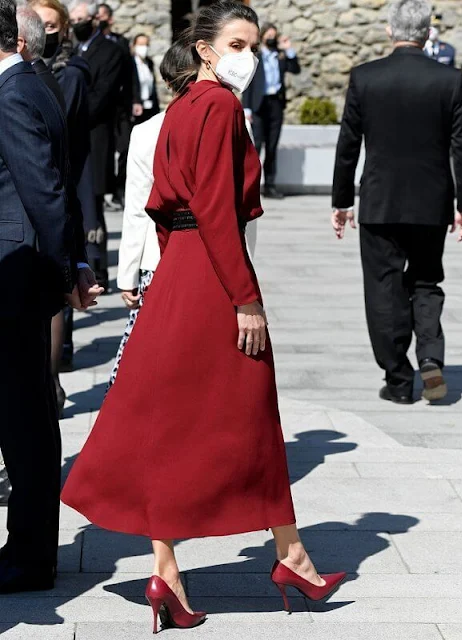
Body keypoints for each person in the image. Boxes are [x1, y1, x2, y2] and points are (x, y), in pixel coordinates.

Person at [62, 2, 346, 631]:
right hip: (216, 276)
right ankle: (290, 556)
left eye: (253, 43)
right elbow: (219, 209)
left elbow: (163, 206)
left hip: (180, 274)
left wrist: (173, 275)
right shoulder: (219, 106)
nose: (250, 54)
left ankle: (170, 571)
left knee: (169, 420)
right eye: (238, 43)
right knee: (254, 412)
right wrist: (245, 296)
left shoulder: (181, 109)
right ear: (207, 50)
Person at [0, 0, 101, 594]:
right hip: (29, 274)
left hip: (14, 280)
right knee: (30, 418)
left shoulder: (13, 93)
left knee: (23, 423)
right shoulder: (37, 81)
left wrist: (68, 267)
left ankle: (30, 557)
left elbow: (42, 186)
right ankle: (29, 549)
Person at [332, 0, 462, 405]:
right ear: (427, 33)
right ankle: (430, 356)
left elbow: (348, 146)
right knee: (426, 280)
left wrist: (341, 201)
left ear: (390, 32)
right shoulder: (452, 81)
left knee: (384, 288)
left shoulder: (365, 78)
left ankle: (399, 380)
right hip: (431, 202)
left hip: (379, 202)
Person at [109, 39, 191, 387]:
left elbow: (138, 210)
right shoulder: (238, 126)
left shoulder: (145, 133)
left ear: (167, 81)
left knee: (147, 355)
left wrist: (127, 273)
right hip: (217, 262)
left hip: (158, 259)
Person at [29, 0, 99, 394]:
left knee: (57, 284)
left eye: (52, 25)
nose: (47, 31)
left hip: (59, 187)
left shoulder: (62, 76)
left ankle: (51, 378)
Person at [69, 0, 124, 291]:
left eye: (81, 17)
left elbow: (101, 97)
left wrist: (68, 112)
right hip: (73, 140)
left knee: (94, 205)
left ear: (93, 20)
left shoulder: (111, 51)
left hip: (95, 139)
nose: (77, 22)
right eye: (73, 18)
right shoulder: (73, 50)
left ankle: (98, 267)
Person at [242, 22, 300, 200]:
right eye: (269, 36)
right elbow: (248, 83)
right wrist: (247, 108)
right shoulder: (255, 56)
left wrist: (289, 51)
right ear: (262, 37)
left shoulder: (280, 56)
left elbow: (295, 69)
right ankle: (249, 186)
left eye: (274, 36)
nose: (271, 39)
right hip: (259, 104)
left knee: (272, 146)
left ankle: (270, 185)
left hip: (276, 103)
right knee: (257, 145)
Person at [97, 2, 134, 209]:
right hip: (102, 106)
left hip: (120, 105)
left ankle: (119, 189)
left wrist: (134, 99)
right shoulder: (89, 44)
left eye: (102, 16)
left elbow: (130, 75)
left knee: (125, 147)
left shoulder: (121, 43)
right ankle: (103, 193)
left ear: (110, 19)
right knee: (103, 150)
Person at [131, 33, 160, 125]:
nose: (144, 48)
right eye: (140, 45)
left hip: (150, 106)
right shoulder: (130, 63)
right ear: (134, 46)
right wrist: (135, 101)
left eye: (146, 45)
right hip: (136, 107)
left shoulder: (149, 63)